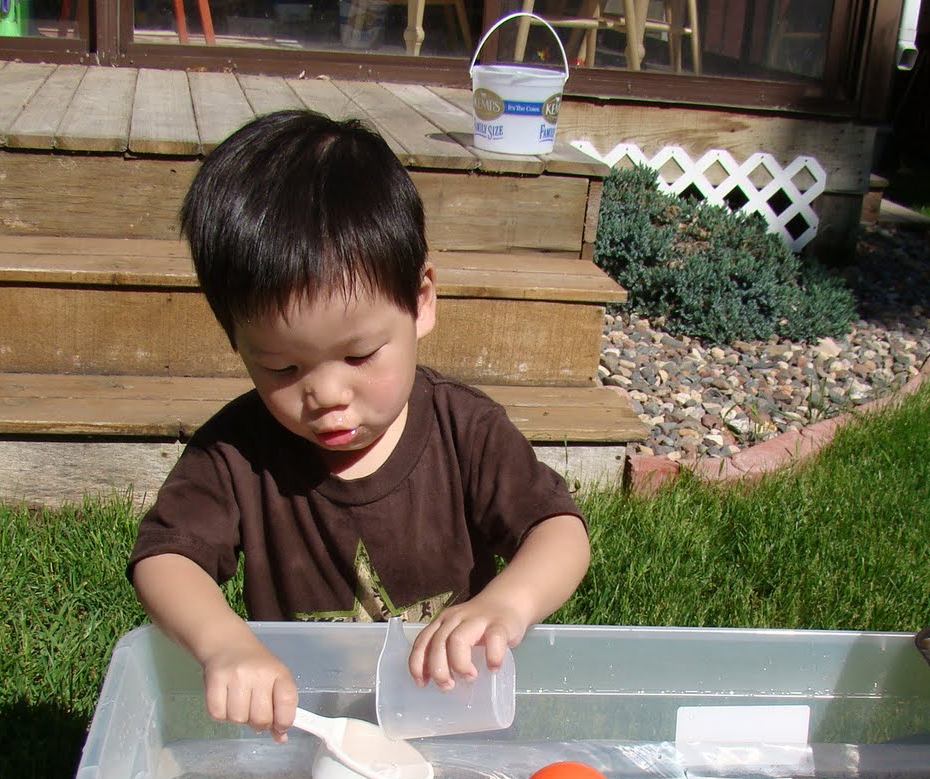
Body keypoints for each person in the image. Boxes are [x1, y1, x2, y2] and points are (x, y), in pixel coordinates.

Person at [128, 110, 591, 739]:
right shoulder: (238, 453)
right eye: (281, 366)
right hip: (310, 730)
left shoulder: (465, 429)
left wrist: (505, 605)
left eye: (359, 355)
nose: (326, 393)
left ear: (421, 300)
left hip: (454, 717)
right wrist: (222, 644)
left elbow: (559, 530)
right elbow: (165, 558)